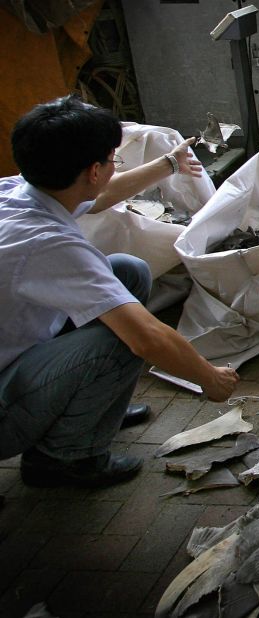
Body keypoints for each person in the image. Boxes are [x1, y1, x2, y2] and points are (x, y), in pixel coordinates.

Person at [0, 96, 240, 487]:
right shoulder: (49, 243)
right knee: (122, 339)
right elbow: (146, 337)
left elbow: (101, 196)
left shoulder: (17, 191)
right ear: (94, 170)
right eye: (114, 160)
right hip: (4, 408)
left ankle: (87, 411)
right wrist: (209, 378)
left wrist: (170, 164)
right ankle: (63, 458)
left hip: (14, 355)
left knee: (129, 272)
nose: (115, 167)